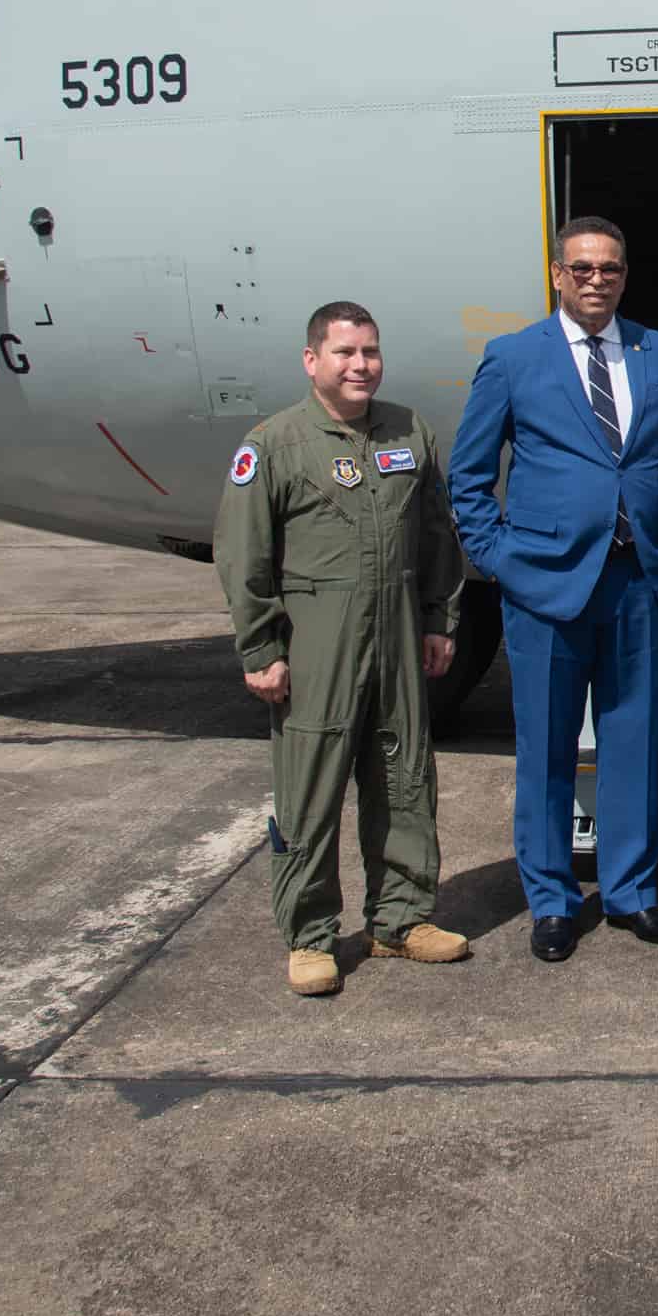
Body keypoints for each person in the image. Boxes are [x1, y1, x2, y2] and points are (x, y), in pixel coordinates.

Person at [448, 216, 658, 962]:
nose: (597, 279)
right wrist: (500, 559)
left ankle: (630, 892)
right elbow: (468, 476)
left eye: (611, 268)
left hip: (636, 584)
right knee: (548, 751)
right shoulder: (512, 357)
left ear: (626, 275)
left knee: (633, 745)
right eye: (583, 268)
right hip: (546, 587)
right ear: (558, 274)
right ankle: (554, 900)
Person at [214, 302, 468, 996]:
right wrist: (260, 646)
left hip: (395, 638)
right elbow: (243, 556)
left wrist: (439, 619)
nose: (361, 365)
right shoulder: (274, 445)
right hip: (316, 641)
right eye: (345, 352)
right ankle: (309, 933)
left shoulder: (408, 431)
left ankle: (401, 918)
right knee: (311, 791)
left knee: (405, 777)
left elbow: (438, 534)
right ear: (312, 361)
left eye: (371, 352)